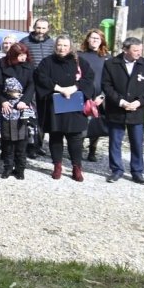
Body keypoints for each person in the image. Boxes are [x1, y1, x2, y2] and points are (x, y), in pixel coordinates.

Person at [33, 35, 94, 182]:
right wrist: (59, 88)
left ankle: (76, 167)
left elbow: (89, 78)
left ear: (70, 47)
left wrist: (74, 88)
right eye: (59, 45)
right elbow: (40, 77)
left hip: (74, 106)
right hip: (55, 105)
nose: (62, 48)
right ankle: (57, 166)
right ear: (55, 46)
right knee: (56, 136)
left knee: (75, 138)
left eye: (65, 45)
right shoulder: (47, 62)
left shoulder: (80, 62)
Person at [102, 36, 144, 185]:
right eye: (135, 50)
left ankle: (137, 172)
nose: (139, 53)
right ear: (125, 50)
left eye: (141, 50)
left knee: (137, 142)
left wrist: (139, 102)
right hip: (117, 109)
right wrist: (121, 102)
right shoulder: (111, 63)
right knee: (115, 141)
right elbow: (106, 86)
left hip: (137, 109)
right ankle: (116, 170)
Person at [22, 18, 55, 158]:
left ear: (48, 29)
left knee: (44, 116)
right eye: (38, 28)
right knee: (32, 116)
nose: (40, 31)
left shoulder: (52, 43)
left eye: (43, 28)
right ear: (34, 27)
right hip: (32, 84)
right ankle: (30, 146)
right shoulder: (25, 42)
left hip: (48, 85)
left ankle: (39, 145)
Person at [0, 77, 34, 180]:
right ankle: (8, 169)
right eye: (13, 91)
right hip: (7, 130)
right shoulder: (2, 102)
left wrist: (25, 110)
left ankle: (20, 171)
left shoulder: (23, 100)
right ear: (7, 91)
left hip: (21, 129)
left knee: (21, 152)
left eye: (18, 90)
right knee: (8, 152)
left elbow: (32, 115)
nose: (17, 93)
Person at [78, 29, 108, 162]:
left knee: (96, 123)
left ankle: (92, 150)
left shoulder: (107, 58)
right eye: (92, 38)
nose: (95, 40)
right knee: (81, 122)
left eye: (97, 38)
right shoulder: (79, 56)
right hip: (83, 94)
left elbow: (110, 79)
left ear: (102, 41)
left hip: (99, 96)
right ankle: (78, 148)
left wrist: (102, 96)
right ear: (87, 39)